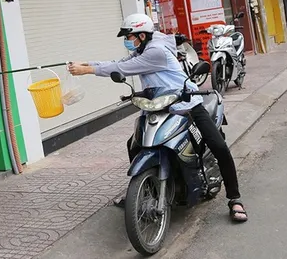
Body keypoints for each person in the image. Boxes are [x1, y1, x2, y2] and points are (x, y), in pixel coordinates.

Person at [67, 13, 248, 222]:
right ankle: (142, 190)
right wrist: (86, 63)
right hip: (159, 105)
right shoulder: (143, 48)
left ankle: (234, 198)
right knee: (135, 145)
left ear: (142, 35)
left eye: (130, 36)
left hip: (186, 103)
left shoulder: (155, 52)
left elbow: (121, 68)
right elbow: (119, 62)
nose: (128, 41)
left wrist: (87, 70)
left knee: (218, 146)